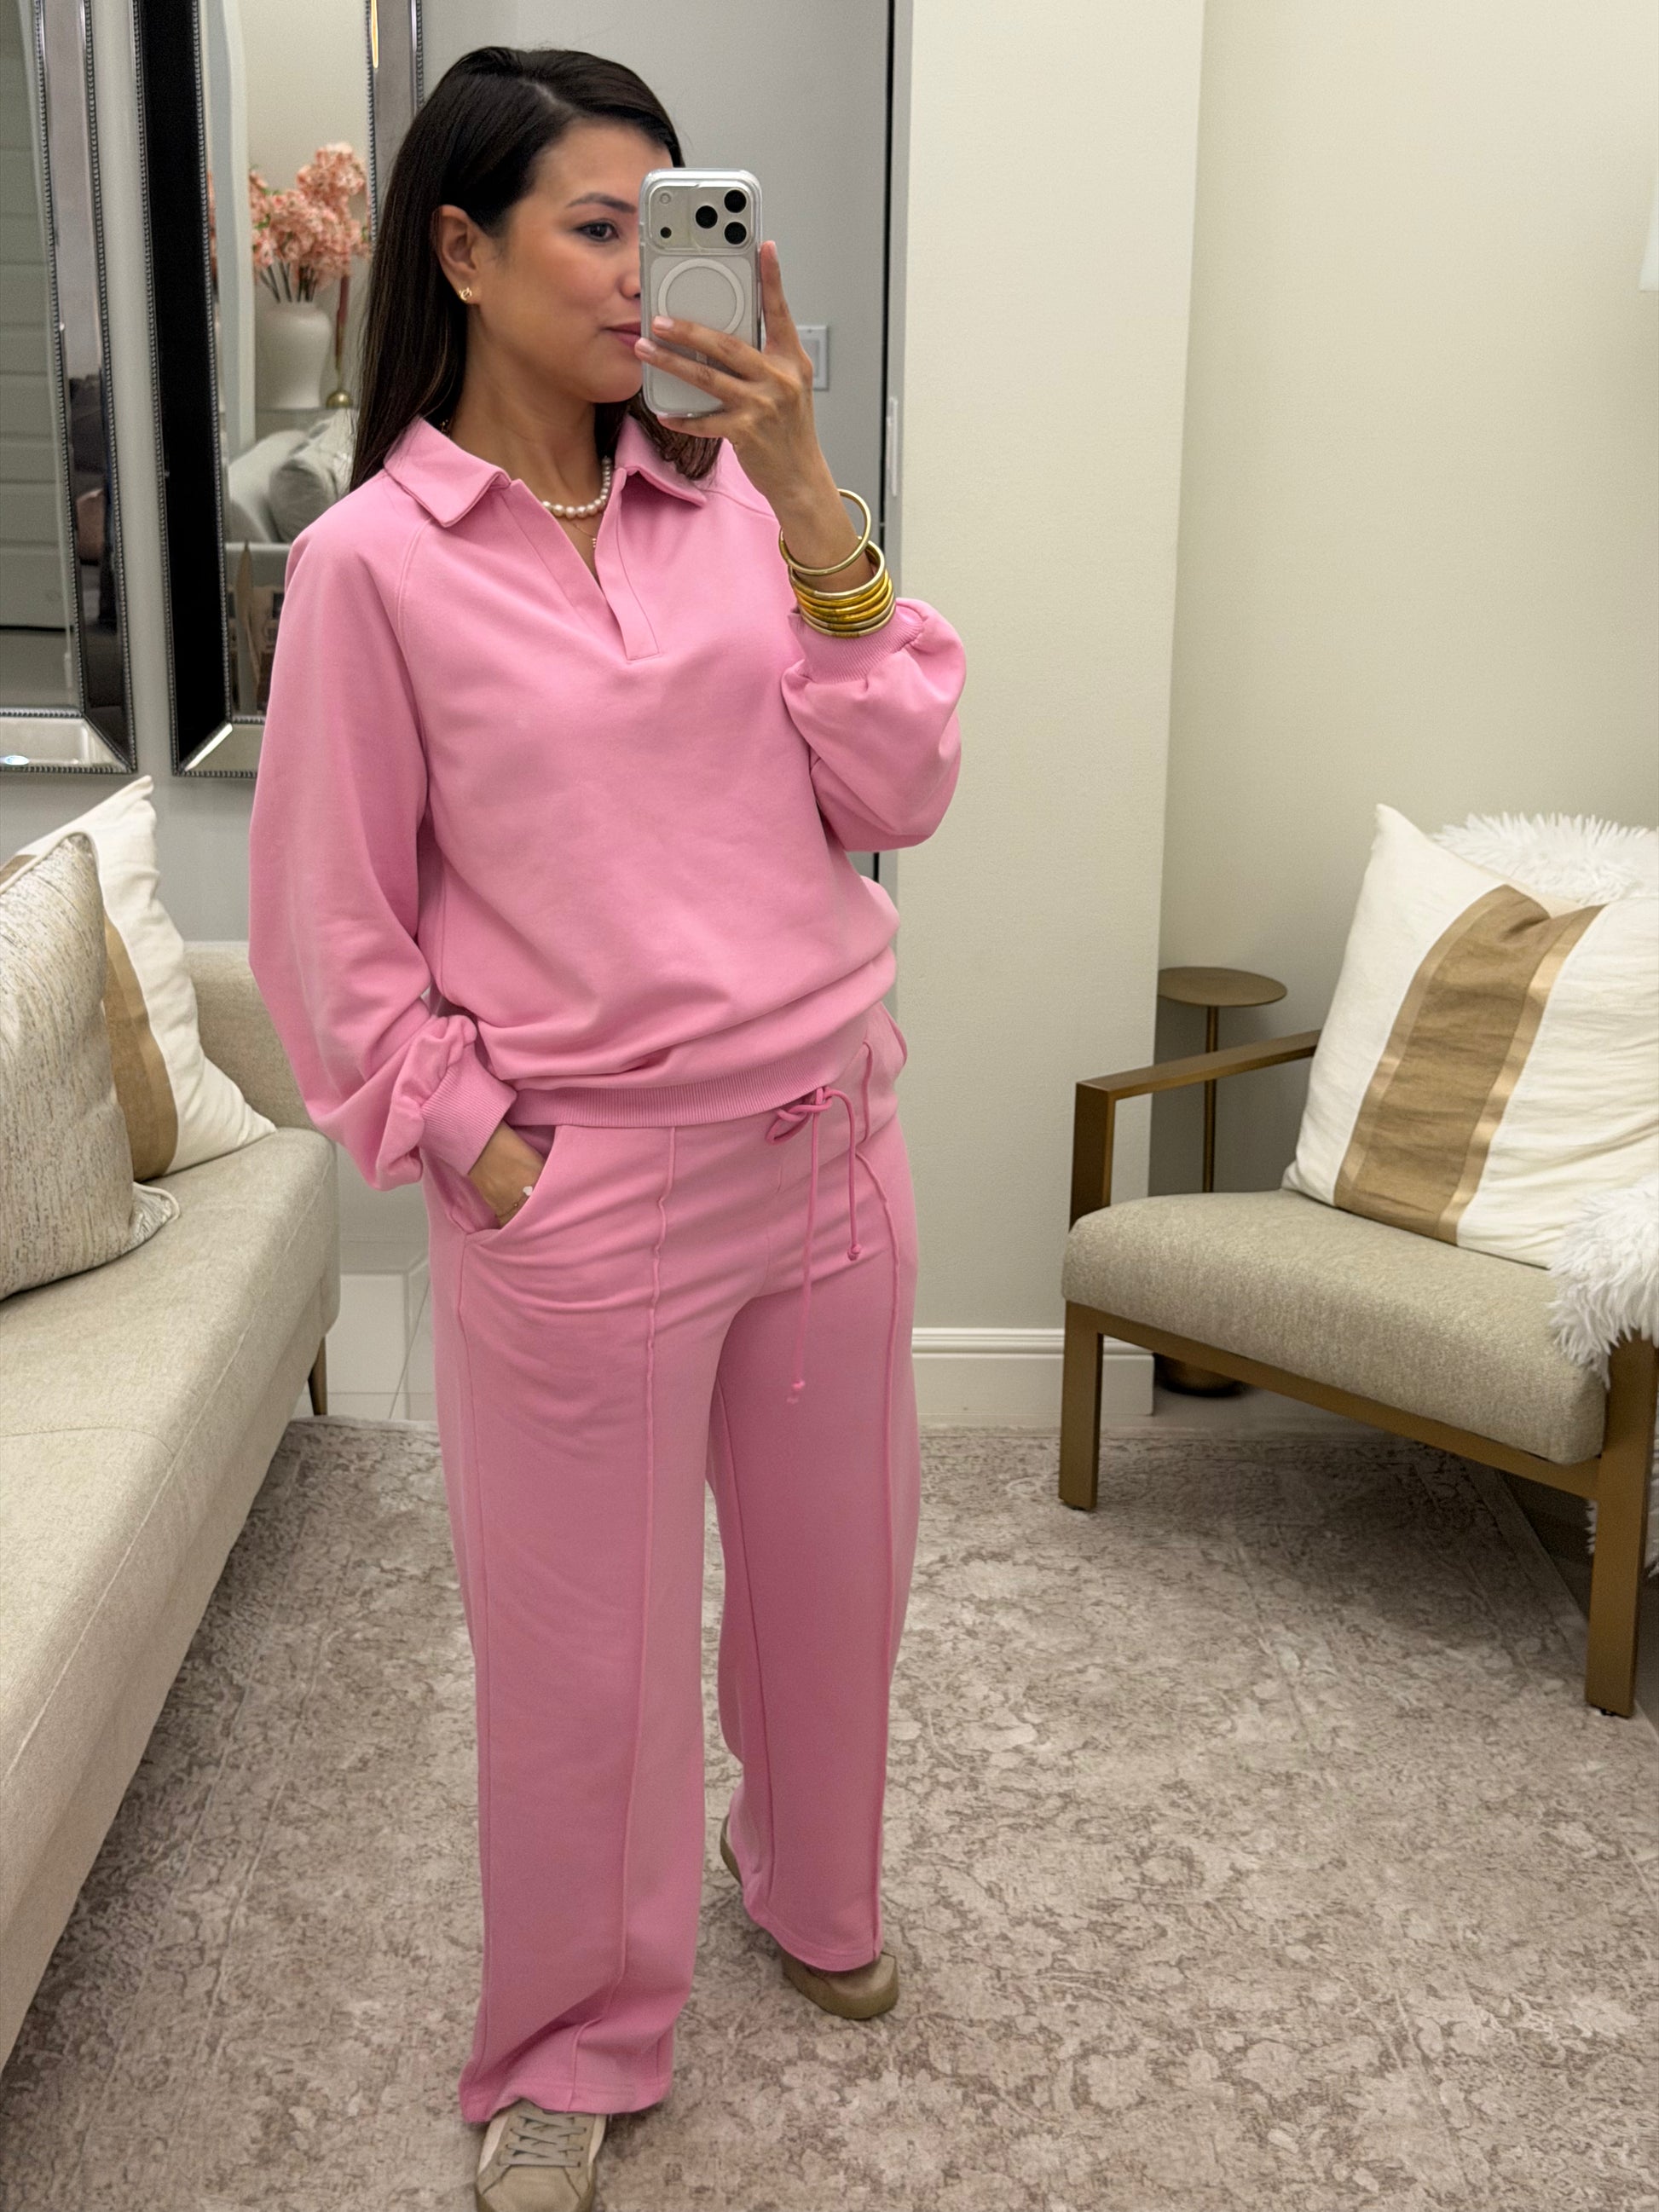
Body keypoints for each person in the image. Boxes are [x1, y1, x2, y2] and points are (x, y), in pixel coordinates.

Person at [246, 43, 964, 2212]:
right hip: (587, 1195)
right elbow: (331, 931)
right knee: (588, 1670)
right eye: (597, 226)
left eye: (671, 222)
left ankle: (810, 1885)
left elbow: (899, 790)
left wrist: (815, 501)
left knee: (835, 1594)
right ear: (460, 254)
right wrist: (481, 1143)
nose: (651, 272)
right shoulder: (372, 565)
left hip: (832, 1143)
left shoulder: (734, 505)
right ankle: (573, 2032)